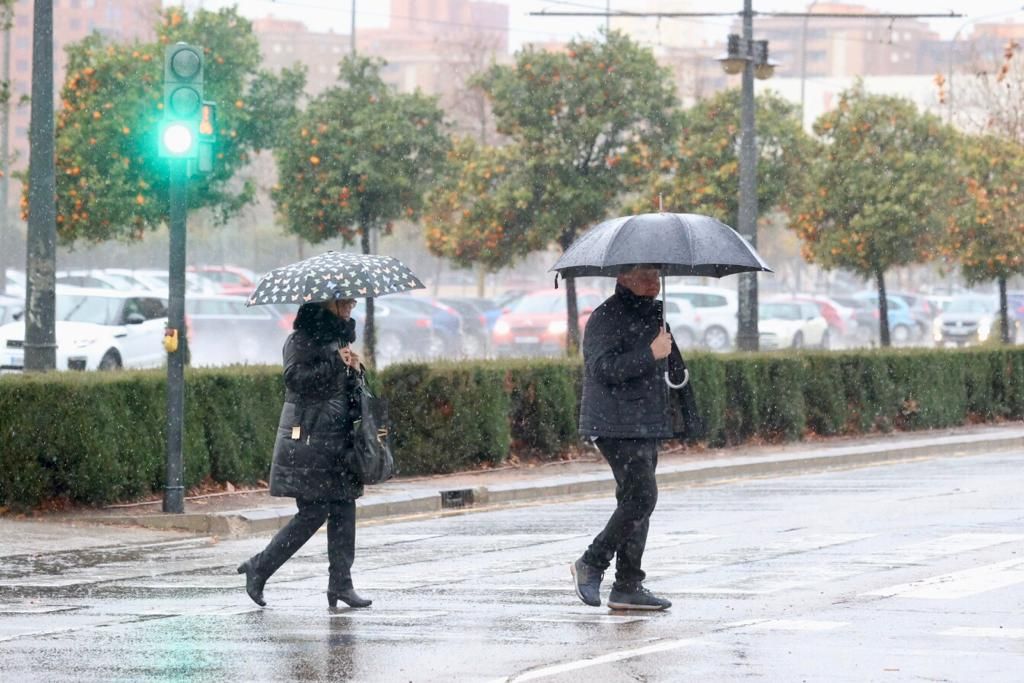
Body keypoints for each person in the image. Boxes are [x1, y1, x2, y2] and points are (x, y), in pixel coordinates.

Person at [570, 265, 699, 611]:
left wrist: (669, 359)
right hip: (614, 423)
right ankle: (592, 562)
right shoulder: (605, 317)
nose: (654, 283)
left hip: (645, 421)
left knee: (636, 500)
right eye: (646, 277)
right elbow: (602, 369)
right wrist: (650, 353)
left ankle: (628, 584)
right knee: (642, 496)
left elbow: (669, 369)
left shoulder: (655, 314)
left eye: (656, 277)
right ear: (624, 278)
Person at [237, 297, 372, 610]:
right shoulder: (300, 339)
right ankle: (260, 566)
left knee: (343, 509)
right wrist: (334, 363)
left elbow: (344, 387)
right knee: (313, 512)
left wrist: (355, 368)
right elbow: (294, 380)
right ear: (328, 303)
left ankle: (341, 584)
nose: (352, 303)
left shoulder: (339, 337)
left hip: (340, 438)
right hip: (311, 439)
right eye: (345, 299)